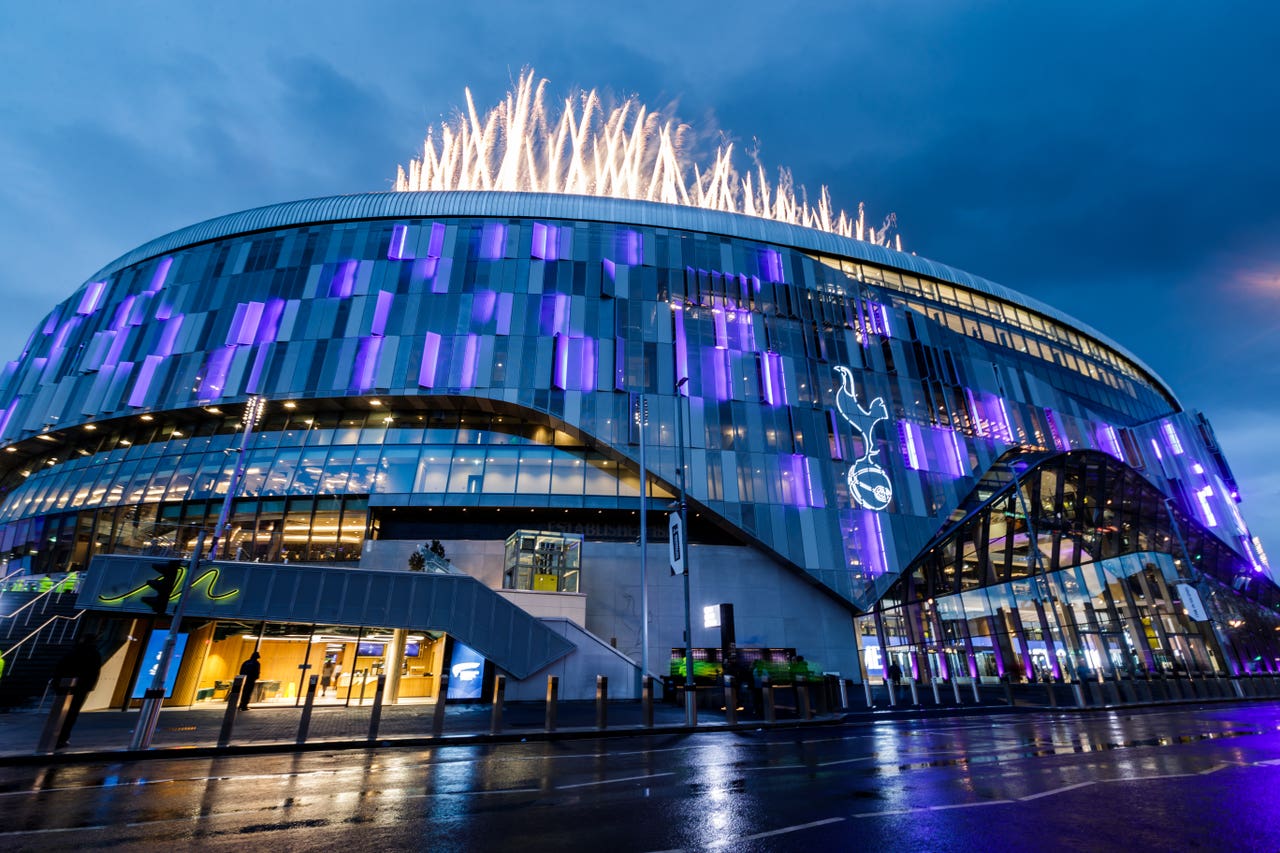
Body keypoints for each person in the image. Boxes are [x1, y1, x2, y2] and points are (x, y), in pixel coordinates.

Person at [53, 634, 101, 749]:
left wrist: (56, 684)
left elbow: (59, 668)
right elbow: (94, 672)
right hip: (81, 687)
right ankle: (63, 737)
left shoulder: (72, 652)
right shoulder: (93, 654)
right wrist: (89, 687)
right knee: (72, 713)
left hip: (65, 686)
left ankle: (55, 736)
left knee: (61, 712)